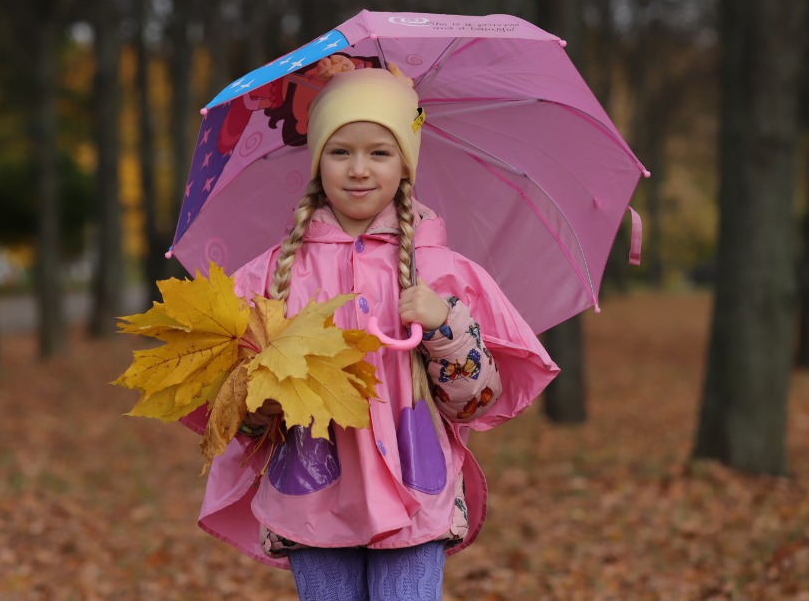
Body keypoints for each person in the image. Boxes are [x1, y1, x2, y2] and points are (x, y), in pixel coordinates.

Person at [180, 64, 559, 601]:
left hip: (413, 488)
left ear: (405, 163)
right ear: (317, 163)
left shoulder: (443, 272)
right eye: (340, 152)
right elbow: (226, 403)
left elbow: (475, 402)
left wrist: (444, 325)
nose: (359, 170)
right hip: (311, 492)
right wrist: (257, 406)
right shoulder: (269, 279)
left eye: (379, 152)